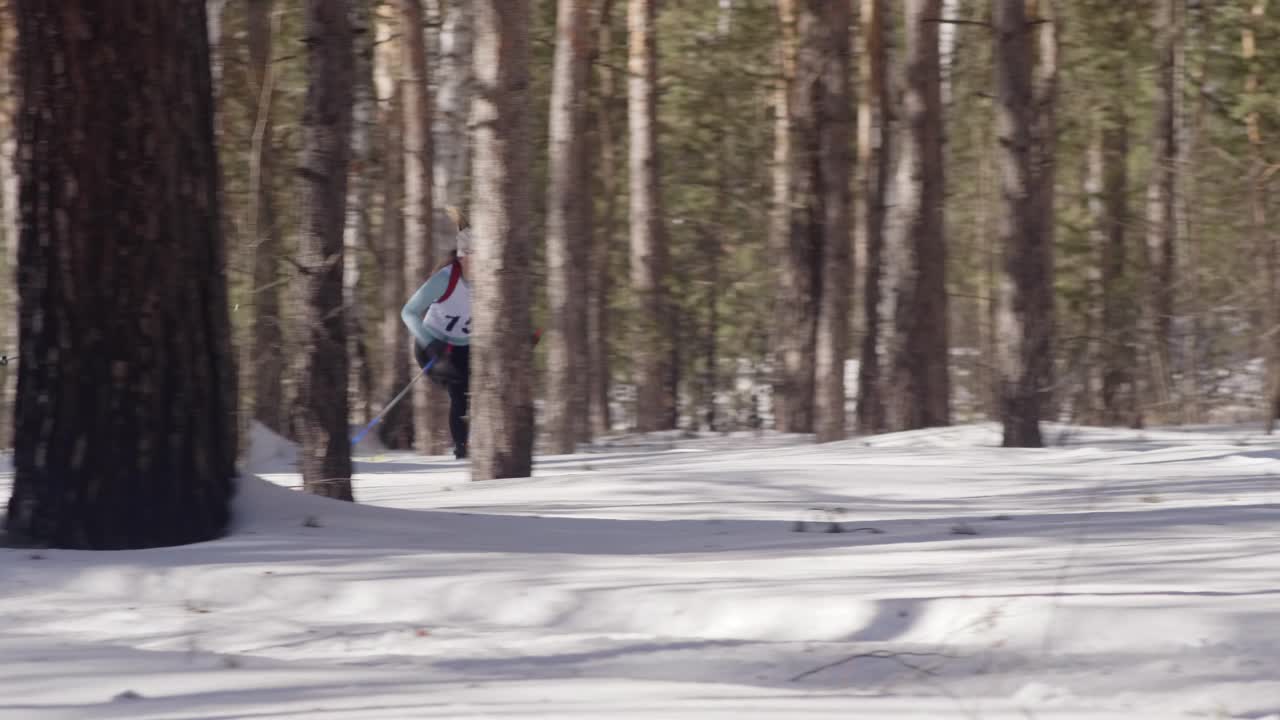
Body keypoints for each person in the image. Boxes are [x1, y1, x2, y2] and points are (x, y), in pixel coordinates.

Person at [401, 209, 473, 460]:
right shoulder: (445, 279)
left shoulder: (491, 281)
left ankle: (477, 445)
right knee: (461, 388)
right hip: (433, 347)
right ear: (463, 257)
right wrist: (431, 343)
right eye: (474, 257)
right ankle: (462, 451)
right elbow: (408, 312)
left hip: (465, 348)